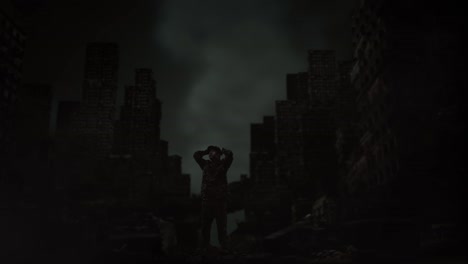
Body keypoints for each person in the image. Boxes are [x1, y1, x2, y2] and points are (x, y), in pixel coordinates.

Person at [193, 145, 233, 251]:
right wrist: (205, 151)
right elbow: (196, 155)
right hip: (207, 202)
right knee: (205, 228)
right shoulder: (205, 164)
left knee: (222, 228)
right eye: (210, 152)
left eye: (214, 152)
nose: (211, 153)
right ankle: (204, 248)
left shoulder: (223, 164)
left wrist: (224, 151)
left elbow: (230, 156)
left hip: (220, 202)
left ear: (219, 154)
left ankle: (225, 249)